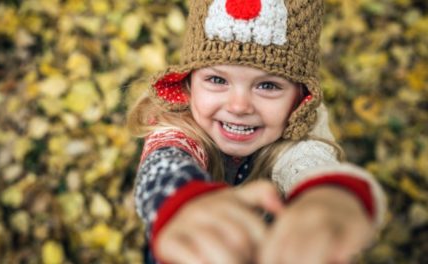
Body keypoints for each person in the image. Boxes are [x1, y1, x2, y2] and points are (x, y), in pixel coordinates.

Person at [128, 0, 386, 263]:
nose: (239, 106)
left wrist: (328, 197)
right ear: (189, 83)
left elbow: (312, 163)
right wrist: (182, 200)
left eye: (268, 86)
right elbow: (163, 163)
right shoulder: (177, 124)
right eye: (217, 80)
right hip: (188, 247)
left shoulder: (298, 137)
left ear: (300, 98)